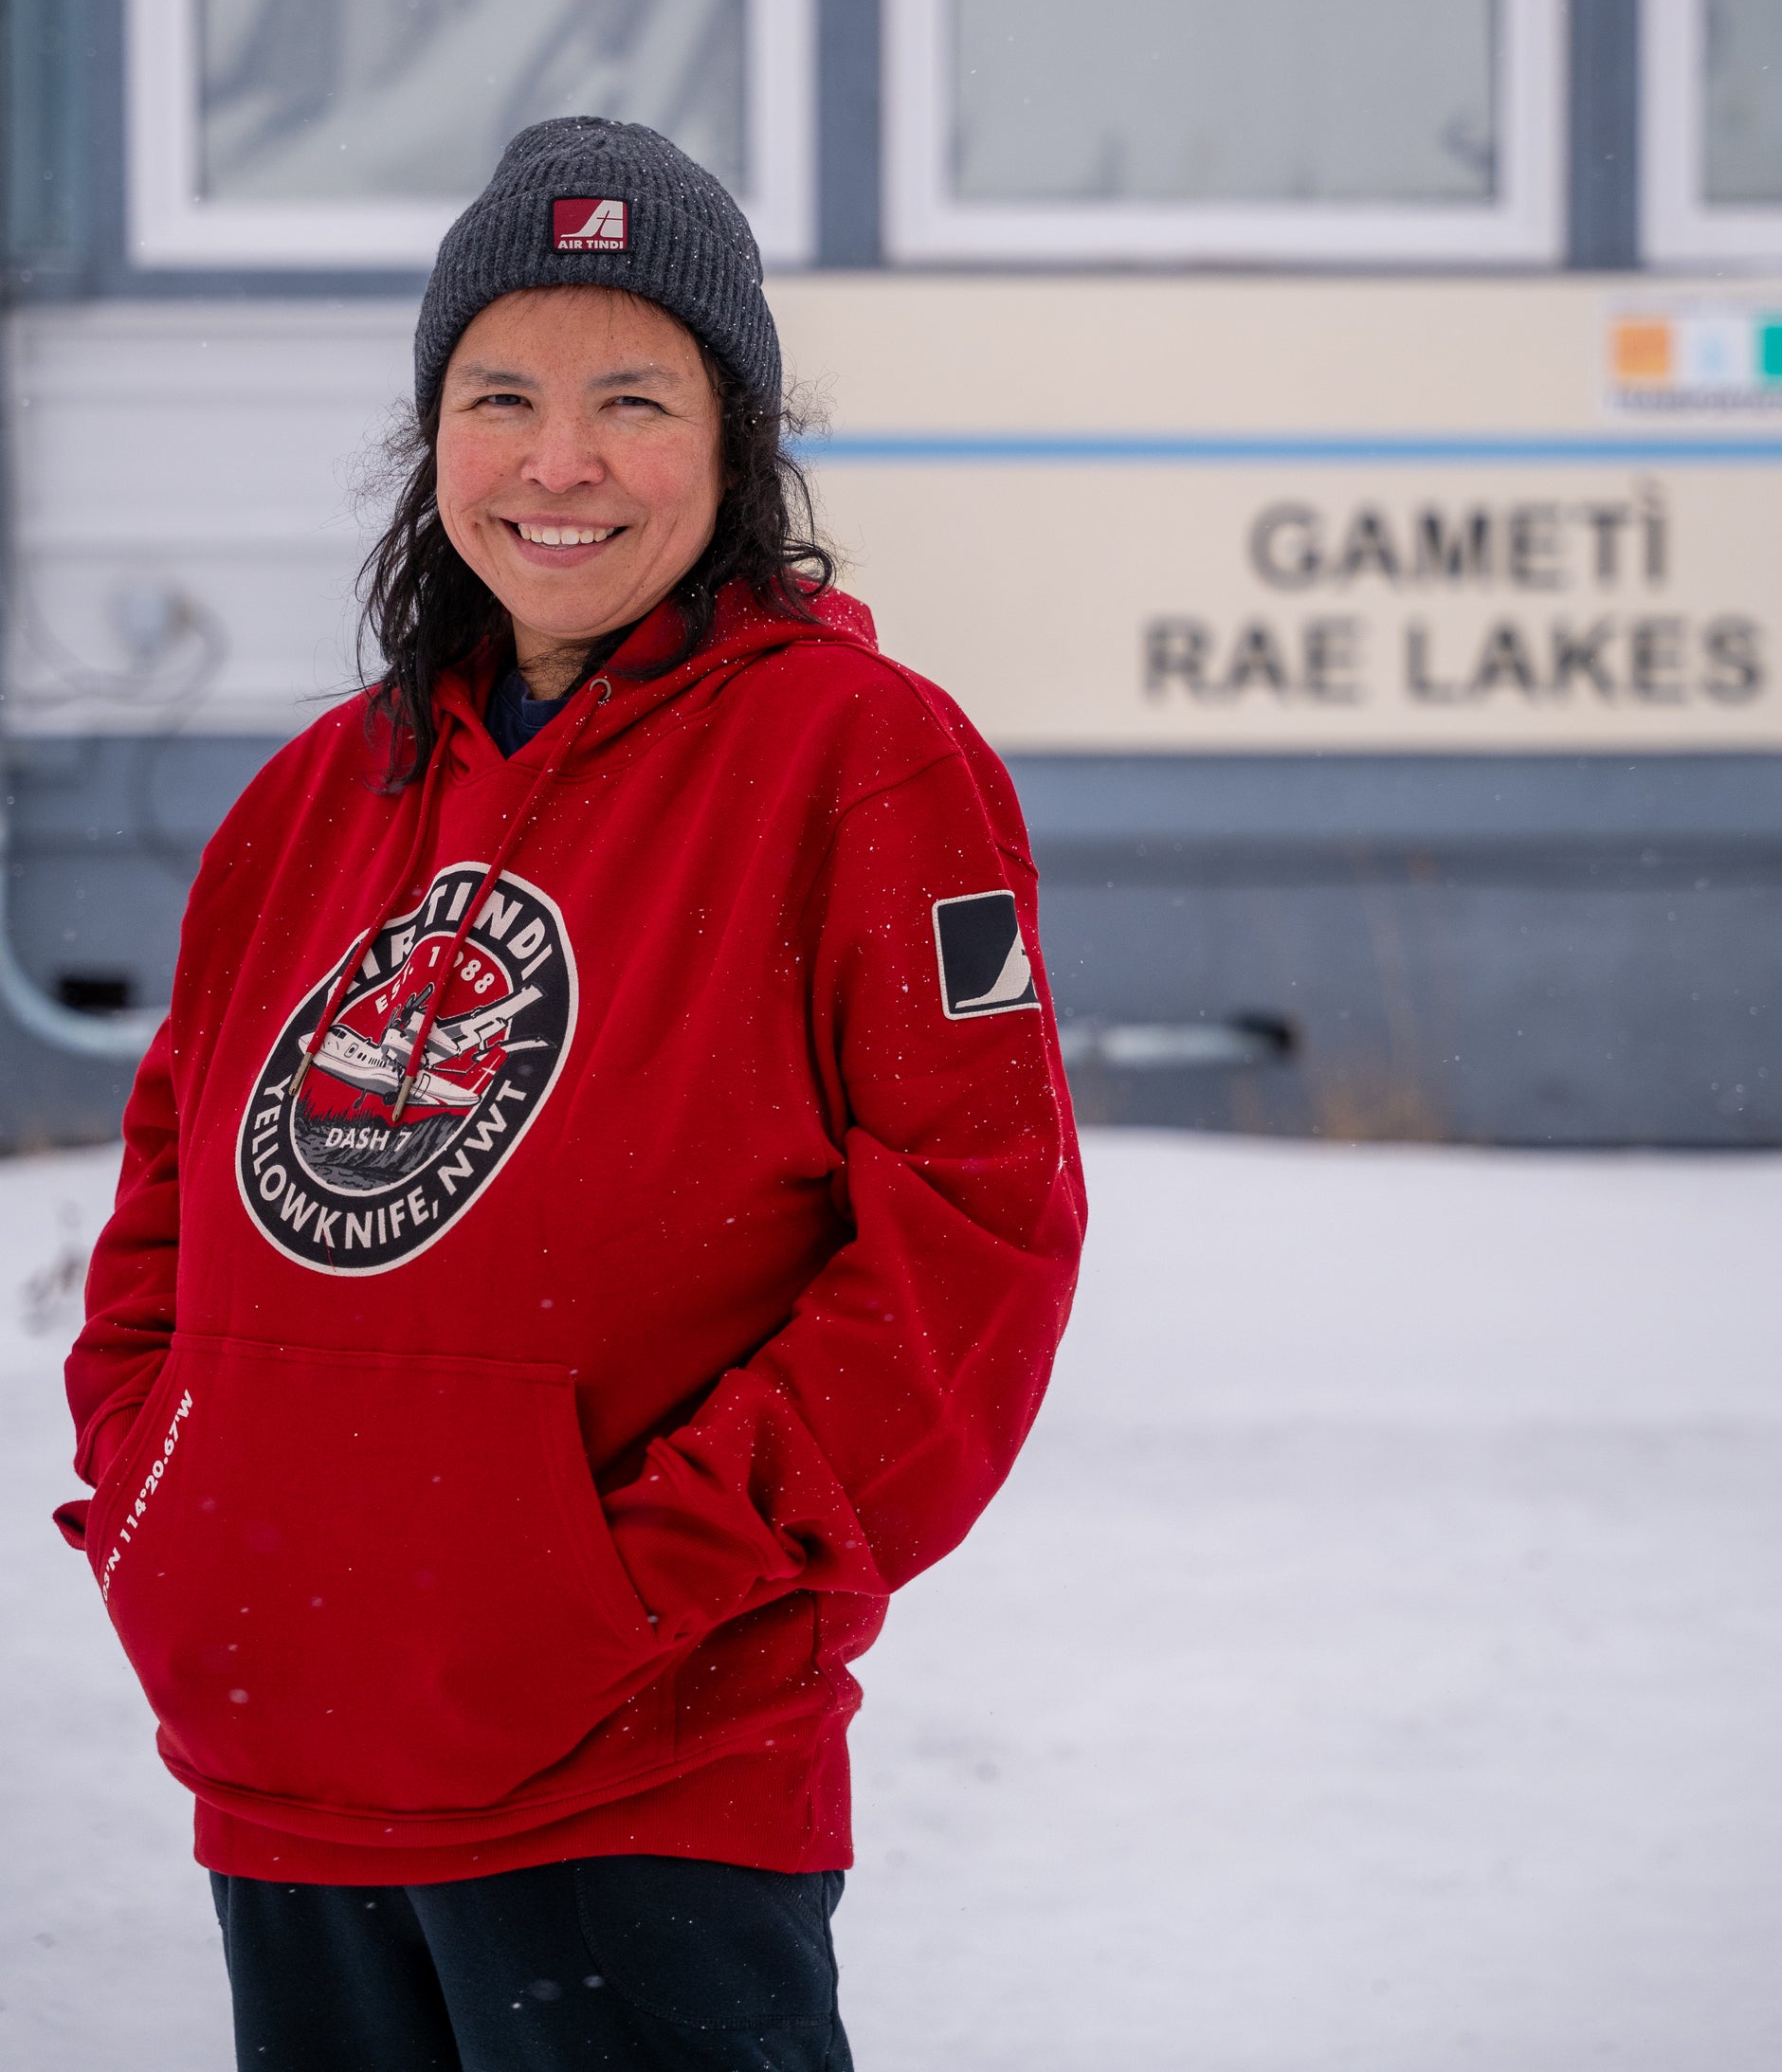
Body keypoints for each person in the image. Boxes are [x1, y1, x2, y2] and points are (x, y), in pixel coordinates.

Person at [58, 118, 1085, 2072]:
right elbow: (172, 1205)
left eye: (633, 395)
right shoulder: (308, 799)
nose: (560, 459)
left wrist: (637, 1575)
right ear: (431, 431)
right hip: (287, 1758)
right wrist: (170, 1504)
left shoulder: (860, 763)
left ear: (736, 438)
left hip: (643, 1773)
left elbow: (977, 1244)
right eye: (501, 394)